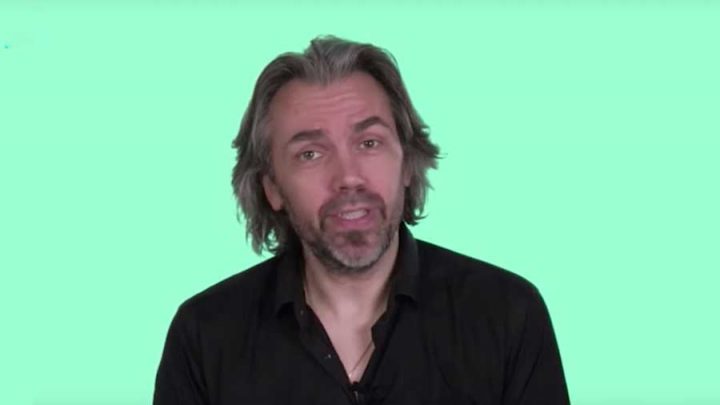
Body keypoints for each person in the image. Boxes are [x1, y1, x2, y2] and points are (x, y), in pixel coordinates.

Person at [154, 36, 570, 405]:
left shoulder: (506, 314)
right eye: (310, 154)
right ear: (272, 188)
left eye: (369, 143)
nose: (348, 176)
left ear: (407, 163)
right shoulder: (205, 335)